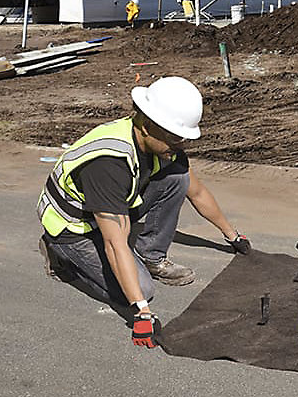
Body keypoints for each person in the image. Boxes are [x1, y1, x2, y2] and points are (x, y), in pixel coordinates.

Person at [38, 76, 250, 349]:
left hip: (109, 209)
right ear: (148, 125)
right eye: (176, 136)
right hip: (73, 229)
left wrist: (232, 236)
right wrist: (141, 312)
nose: (180, 144)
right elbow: (114, 243)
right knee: (143, 290)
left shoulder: (164, 145)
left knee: (178, 179)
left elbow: (196, 192)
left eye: (184, 137)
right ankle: (62, 259)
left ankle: (151, 256)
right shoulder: (109, 162)